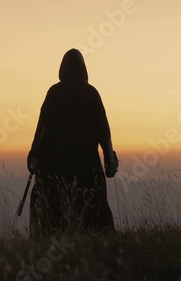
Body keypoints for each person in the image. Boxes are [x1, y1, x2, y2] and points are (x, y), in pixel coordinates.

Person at [27, 48, 118, 237]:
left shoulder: (54, 93)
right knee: (94, 218)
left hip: (54, 169)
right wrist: (110, 161)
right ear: (84, 69)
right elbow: (104, 133)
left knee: (51, 220)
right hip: (87, 169)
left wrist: (34, 156)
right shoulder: (91, 93)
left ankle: (46, 248)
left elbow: (41, 130)